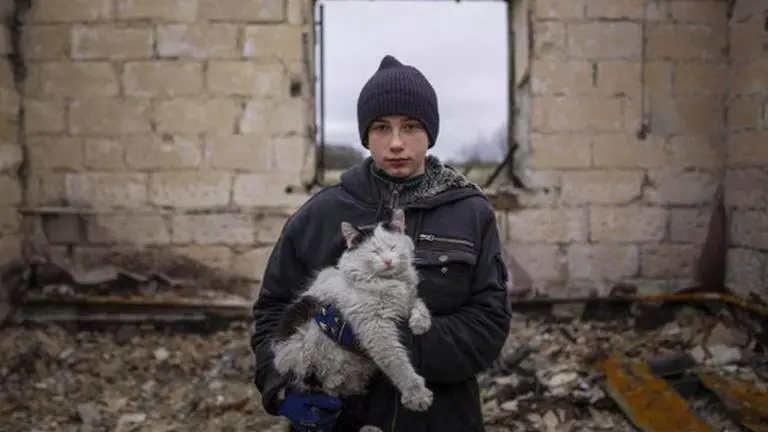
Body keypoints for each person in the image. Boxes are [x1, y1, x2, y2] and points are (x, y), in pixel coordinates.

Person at [250, 54, 511, 431]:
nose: (396, 144)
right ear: (365, 135)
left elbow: (488, 324)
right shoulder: (321, 214)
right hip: (340, 419)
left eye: (410, 127)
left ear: (431, 133)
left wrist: (384, 337)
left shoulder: (470, 213)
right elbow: (273, 309)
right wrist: (280, 389)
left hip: (439, 418)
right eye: (381, 128)